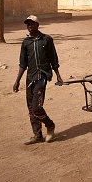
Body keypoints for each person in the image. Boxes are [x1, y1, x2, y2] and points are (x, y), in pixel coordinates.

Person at [13, 15, 64, 145]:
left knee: (36, 107)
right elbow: (23, 64)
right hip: (30, 77)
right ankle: (37, 135)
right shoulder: (26, 42)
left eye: (31, 24)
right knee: (30, 108)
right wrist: (17, 81)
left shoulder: (47, 40)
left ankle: (50, 125)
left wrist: (58, 75)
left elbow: (54, 59)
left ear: (37, 25)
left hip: (42, 76)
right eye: (27, 24)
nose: (29, 26)